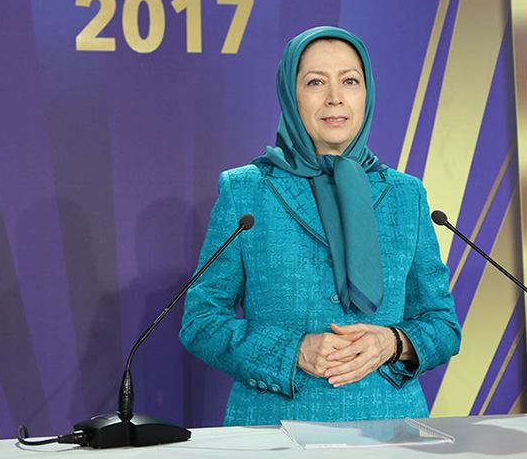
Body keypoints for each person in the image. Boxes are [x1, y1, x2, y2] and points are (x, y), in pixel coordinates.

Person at [179, 26, 461, 426]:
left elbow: (442, 324)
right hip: (275, 427)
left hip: (389, 427)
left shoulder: (405, 195)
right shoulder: (246, 190)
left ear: (366, 94)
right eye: (315, 82)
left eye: (350, 81)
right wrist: (292, 350)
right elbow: (201, 322)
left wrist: (393, 342)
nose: (335, 97)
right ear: (290, 96)